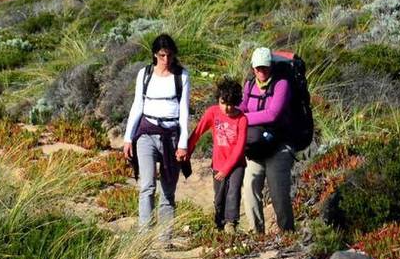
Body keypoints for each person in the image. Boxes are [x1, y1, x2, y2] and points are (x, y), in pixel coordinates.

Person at [122, 33, 191, 237]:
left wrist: (183, 143)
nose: (166, 60)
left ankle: (165, 238)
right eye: (162, 55)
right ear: (154, 54)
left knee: (168, 190)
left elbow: (185, 111)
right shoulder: (144, 75)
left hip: (171, 136)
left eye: (169, 55)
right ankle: (144, 237)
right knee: (147, 186)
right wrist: (128, 138)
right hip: (146, 133)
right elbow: (137, 106)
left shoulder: (182, 76)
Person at [241, 47, 295, 233]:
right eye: (258, 68)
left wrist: (244, 118)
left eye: (265, 67)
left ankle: (287, 233)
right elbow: (242, 107)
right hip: (256, 145)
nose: (261, 72)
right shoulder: (249, 85)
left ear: (271, 66)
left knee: (278, 192)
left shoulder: (282, 84)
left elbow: (273, 114)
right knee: (249, 186)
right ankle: (256, 234)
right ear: (253, 68)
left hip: (279, 145)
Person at [187, 77, 248, 232]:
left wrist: (226, 169)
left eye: (230, 104)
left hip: (236, 164)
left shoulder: (242, 119)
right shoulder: (212, 112)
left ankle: (231, 223)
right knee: (219, 195)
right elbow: (197, 132)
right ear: (218, 99)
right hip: (218, 163)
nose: (226, 108)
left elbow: (240, 148)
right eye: (223, 102)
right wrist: (187, 150)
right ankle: (219, 223)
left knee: (233, 192)